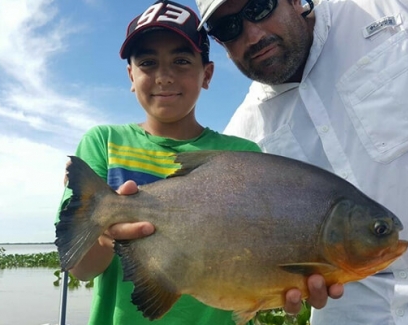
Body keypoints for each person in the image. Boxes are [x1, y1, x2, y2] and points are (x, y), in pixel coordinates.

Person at [190, 0, 408, 324]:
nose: (252, 35)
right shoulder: (243, 139)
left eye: (260, 7)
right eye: (227, 27)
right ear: (218, 41)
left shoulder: (405, 9)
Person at [55, 1, 265, 323]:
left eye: (181, 61)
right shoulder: (103, 143)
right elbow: (81, 268)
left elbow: (256, 257)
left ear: (207, 74)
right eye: (148, 63)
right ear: (131, 75)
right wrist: (104, 233)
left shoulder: (244, 156)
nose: (164, 77)